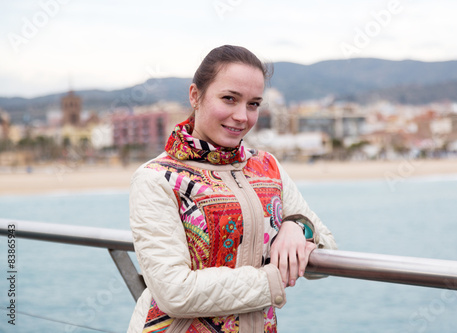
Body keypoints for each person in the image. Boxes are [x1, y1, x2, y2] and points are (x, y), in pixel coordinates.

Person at [128, 45, 337, 333]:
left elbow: (327, 248)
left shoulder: (267, 167)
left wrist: (297, 226)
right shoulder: (158, 178)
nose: (242, 116)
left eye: (253, 104)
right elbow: (174, 292)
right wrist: (271, 280)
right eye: (229, 99)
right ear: (195, 95)